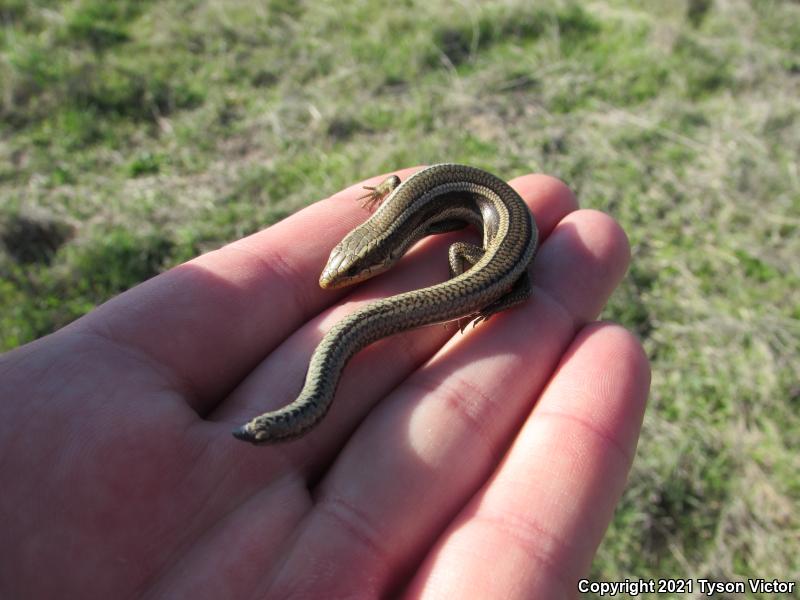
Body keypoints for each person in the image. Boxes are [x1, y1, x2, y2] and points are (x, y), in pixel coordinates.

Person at [0, 168, 649, 598]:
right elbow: (405, 193)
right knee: (469, 267)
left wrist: (492, 288)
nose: (338, 277)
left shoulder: (425, 230)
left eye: (357, 266)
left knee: (495, 277)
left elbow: (420, 206)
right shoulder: (403, 213)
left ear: (386, 253)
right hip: (479, 226)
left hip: (501, 244)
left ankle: (498, 293)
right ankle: (489, 290)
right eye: (351, 260)